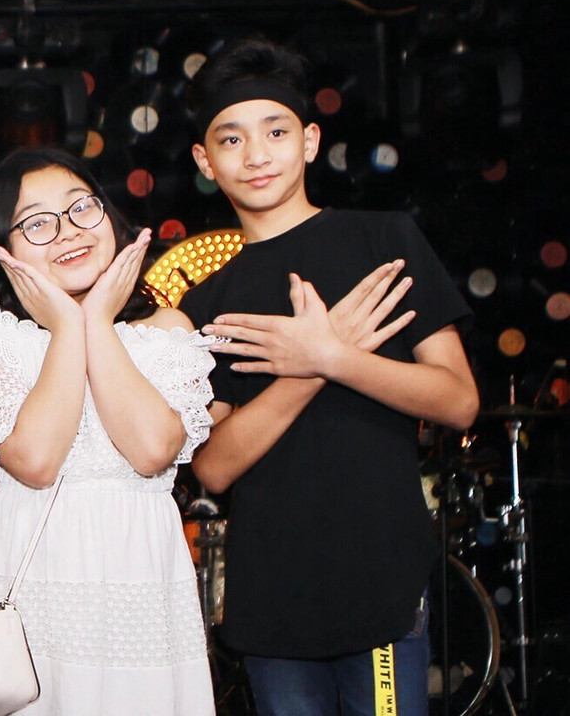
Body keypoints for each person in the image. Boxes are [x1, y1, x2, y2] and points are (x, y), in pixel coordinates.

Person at [178, 37, 480, 716]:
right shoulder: (206, 305)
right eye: (231, 139)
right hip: (271, 595)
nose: (256, 155)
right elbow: (214, 468)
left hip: (381, 580)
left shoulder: (386, 242)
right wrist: (311, 367)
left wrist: (337, 357)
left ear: (310, 141)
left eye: (276, 132)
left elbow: (459, 401)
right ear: (205, 160)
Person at [0, 147, 218, 715]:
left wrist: (96, 321)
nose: (68, 230)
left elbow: (151, 450)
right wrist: (69, 327)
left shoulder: (165, 328)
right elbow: (37, 462)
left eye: (81, 208)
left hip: (138, 579)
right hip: (30, 585)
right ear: (2, 249)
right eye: (37, 223)